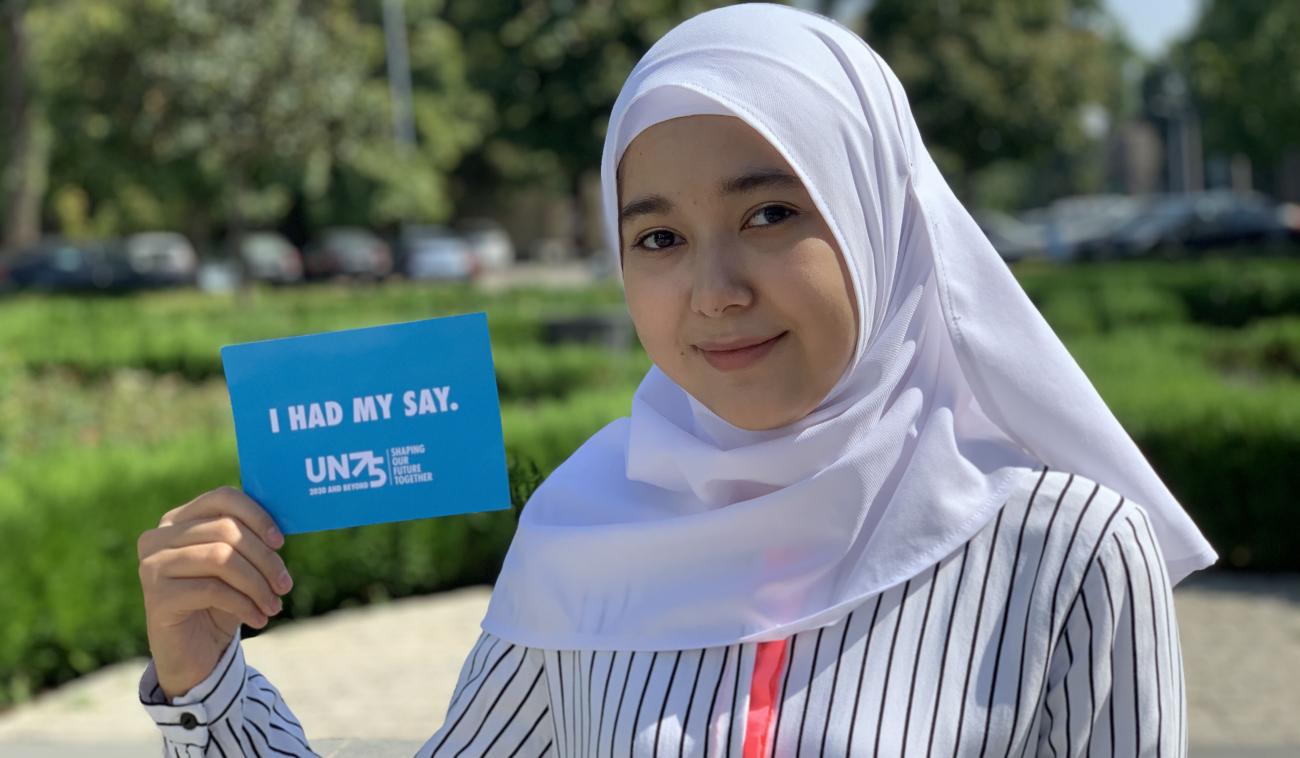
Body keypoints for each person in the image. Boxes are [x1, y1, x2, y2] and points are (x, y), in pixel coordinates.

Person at [134, 4, 1218, 756]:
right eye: (656, 237)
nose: (713, 289)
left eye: (769, 214)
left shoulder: (1066, 548)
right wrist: (204, 684)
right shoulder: (585, 531)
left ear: (880, 216)